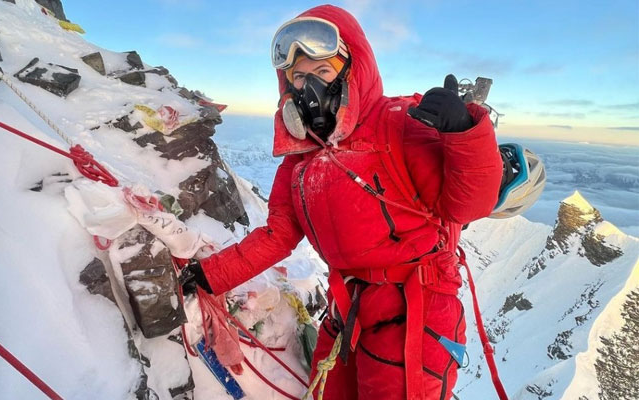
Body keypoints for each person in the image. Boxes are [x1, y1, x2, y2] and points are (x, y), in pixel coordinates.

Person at [181, 5, 502, 400]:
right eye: (298, 77)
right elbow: (278, 234)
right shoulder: (301, 162)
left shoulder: (400, 122)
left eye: (322, 72)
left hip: (416, 307)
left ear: (353, 69)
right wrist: (210, 275)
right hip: (348, 306)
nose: (308, 87)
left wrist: (464, 132)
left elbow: (468, 205)